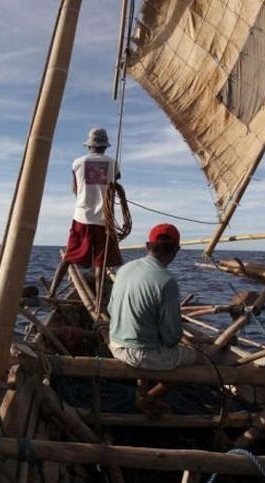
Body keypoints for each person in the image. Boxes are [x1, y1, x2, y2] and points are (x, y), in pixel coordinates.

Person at [107, 223, 217, 417]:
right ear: (176, 251)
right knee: (198, 358)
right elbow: (172, 337)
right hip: (141, 355)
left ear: (147, 246)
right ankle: (147, 399)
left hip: (114, 344)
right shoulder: (166, 281)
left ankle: (142, 389)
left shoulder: (124, 269)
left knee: (150, 343)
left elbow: (110, 309)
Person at [48, 128, 123, 298]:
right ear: (105, 146)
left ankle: (52, 293)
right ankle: (98, 303)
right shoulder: (113, 163)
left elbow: (74, 188)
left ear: (89, 146)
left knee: (69, 256)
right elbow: (114, 184)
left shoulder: (77, 163)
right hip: (105, 219)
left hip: (81, 217)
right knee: (100, 264)